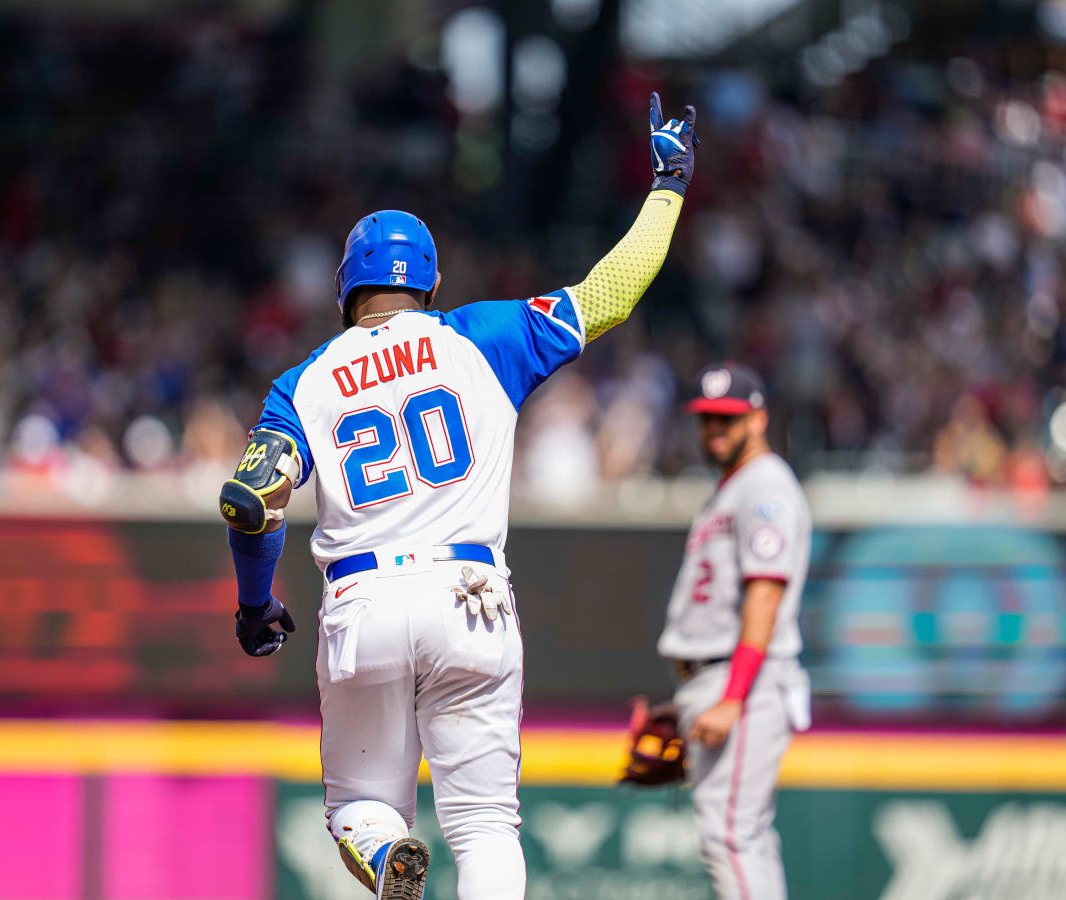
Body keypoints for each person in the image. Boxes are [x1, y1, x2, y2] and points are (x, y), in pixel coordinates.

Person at [218, 93, 697, 900]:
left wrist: (255, 604)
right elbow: (611, 293)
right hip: (471, 595)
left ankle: (385, 855)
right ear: (431, 284)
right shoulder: (484, 337)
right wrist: (669, 184)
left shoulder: (301, 387)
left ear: (345, 289)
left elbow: (253, 499)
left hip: (362, 602)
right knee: (485, 823)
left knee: (361, 809)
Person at [657, 362, 812, 900]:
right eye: (707, 419)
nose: (715, 430)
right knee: (744, 836)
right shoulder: (732, 488)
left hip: (743, 679)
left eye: (728, 418)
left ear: (759, 418)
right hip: (715, 677)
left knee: (731, 835)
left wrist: (732, 696)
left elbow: (765, 593)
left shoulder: (766, 486)